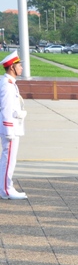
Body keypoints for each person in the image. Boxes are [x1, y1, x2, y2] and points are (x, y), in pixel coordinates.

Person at [0, 51, 28, 200]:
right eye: (19, 65)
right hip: (10, 129)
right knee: (8, 158)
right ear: (12, 67)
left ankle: (5, 187)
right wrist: (8, 129)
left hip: (12, 126)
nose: (22, 68)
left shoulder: (9, 83)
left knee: (9, 158)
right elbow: (5, 108)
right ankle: (6, 189)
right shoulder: (7, 85)